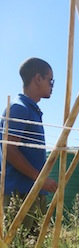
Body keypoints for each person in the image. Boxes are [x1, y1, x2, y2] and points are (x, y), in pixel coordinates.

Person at [0, 57, 58, 235]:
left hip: (31, 190)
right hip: (20, 193)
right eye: (50, 80)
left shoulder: (31, 110)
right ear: (38, 78)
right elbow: (9, 149)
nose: (52, 85)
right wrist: (40, 179)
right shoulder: (20, 108)